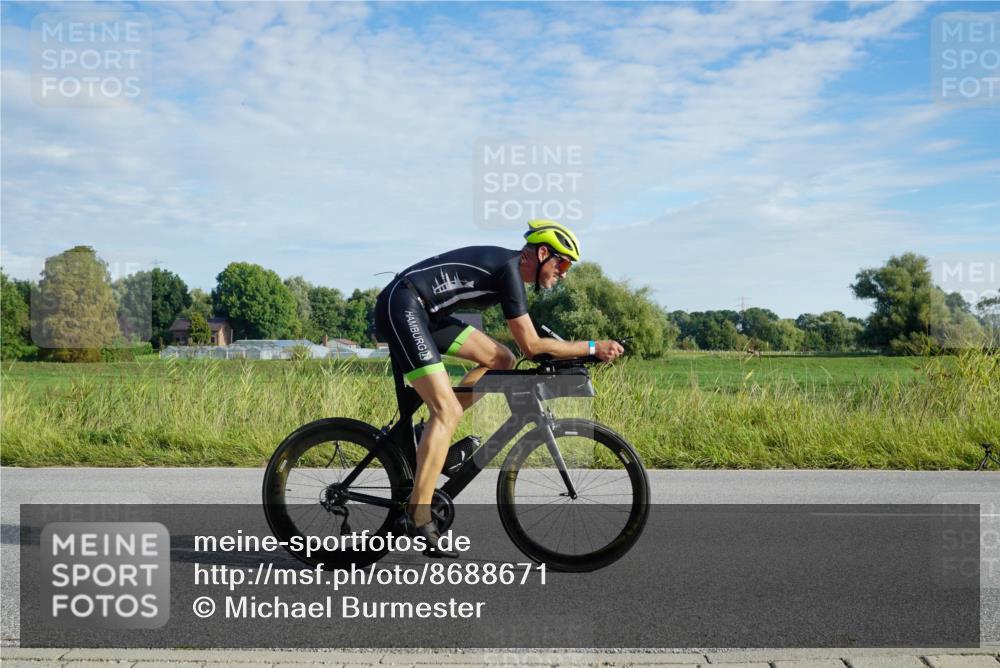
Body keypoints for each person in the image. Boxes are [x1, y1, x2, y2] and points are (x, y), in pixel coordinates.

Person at [373, 219, 624, 556]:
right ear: (543, 253)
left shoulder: (510, 274)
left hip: (427, 313)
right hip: (403, 305)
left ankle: (434, 434)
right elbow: (533, 346)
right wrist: (592, 348)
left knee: (502, 360)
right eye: (562, 263)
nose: (564, 273)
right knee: (446, 410)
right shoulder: (510, 271)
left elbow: (522, 350)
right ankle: (417, 514)